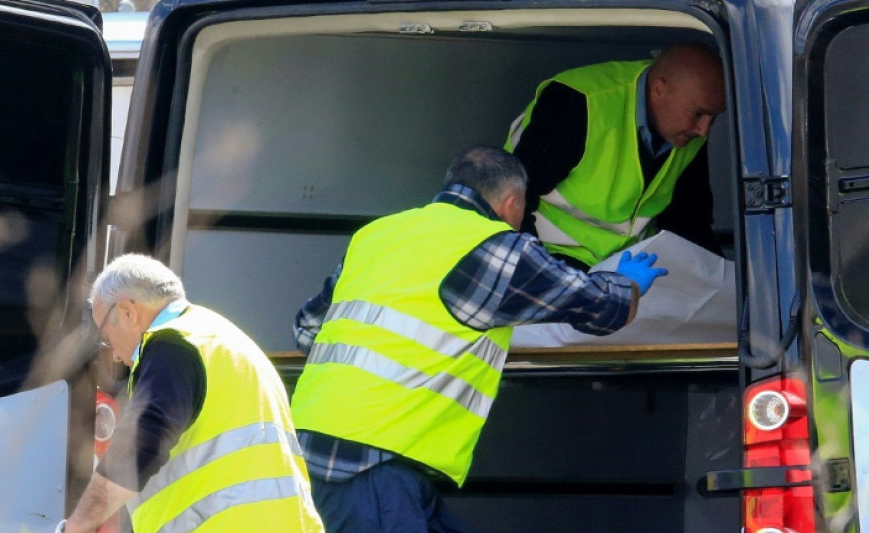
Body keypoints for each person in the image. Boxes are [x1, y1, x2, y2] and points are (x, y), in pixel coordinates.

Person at [289, 146, 668, 533]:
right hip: (375, 468)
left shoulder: (378, 234)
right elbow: (601, 307)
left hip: (313, 454)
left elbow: (307, 327)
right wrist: (626, 283)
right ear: (510, 203)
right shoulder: (495, 246)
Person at [57, 254, 324, 533]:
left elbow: (141, 444)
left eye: (107, 336)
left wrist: (76, 526)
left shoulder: (172, 345)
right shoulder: (221, 339)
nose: (113, 354)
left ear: (127, 312)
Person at [505, 42, 727, 270]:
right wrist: (542, 274)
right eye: (698, 114)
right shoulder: (579, 103)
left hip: (628, 265)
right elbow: (511, 201)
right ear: (658, 90)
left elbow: (687, 220)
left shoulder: (688, 133)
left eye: (714, 117)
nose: (704, 130)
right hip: (552, 254)